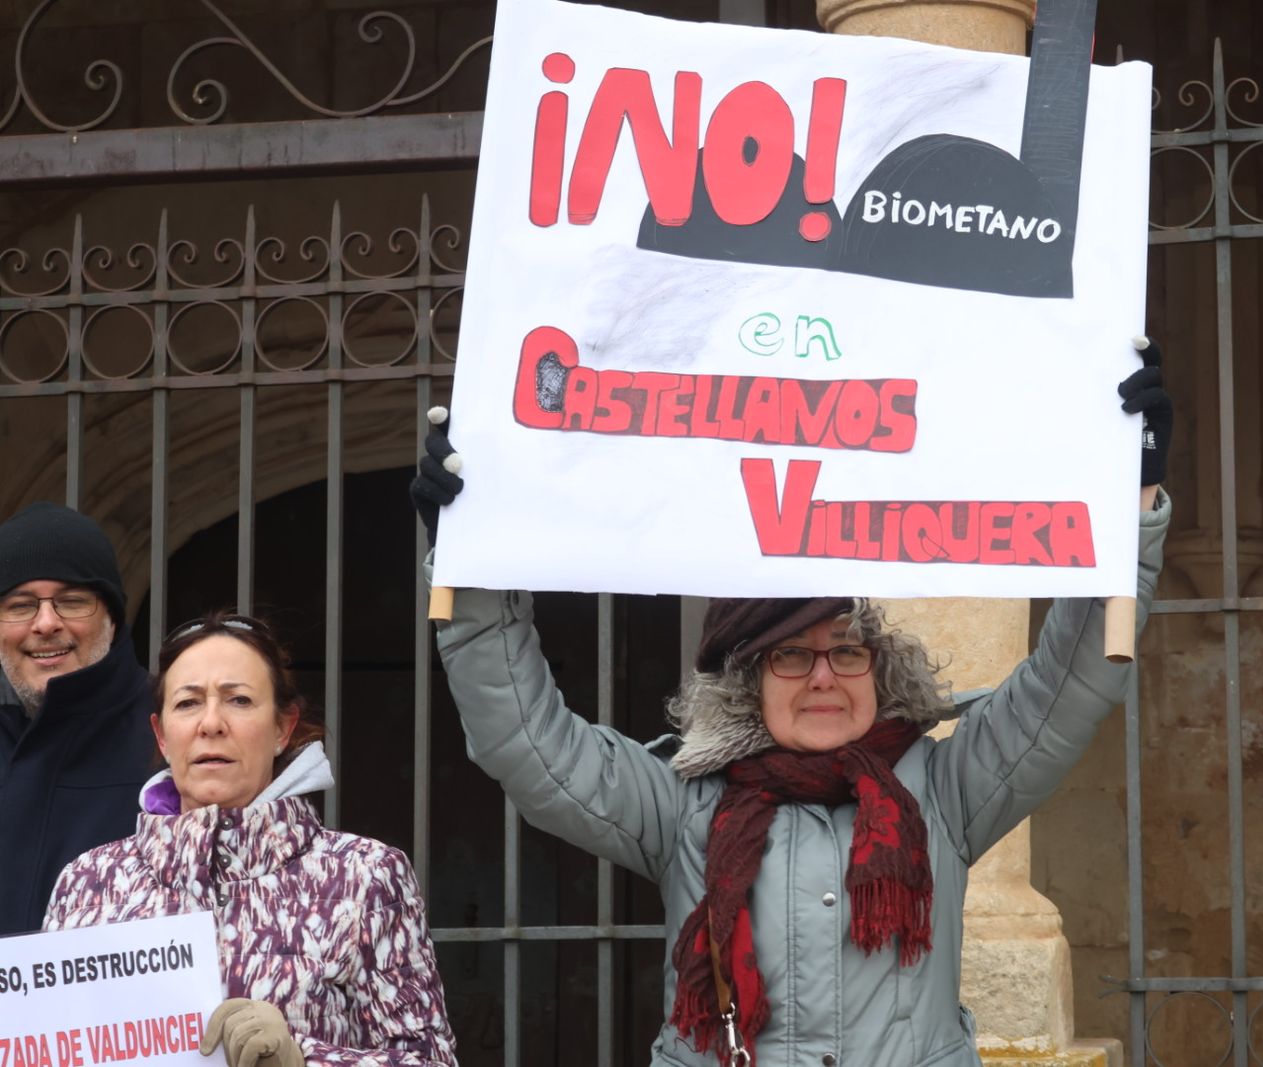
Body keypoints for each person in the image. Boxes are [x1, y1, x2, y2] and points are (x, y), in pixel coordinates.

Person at [411, 340, 1172, 1066]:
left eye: (846, 649)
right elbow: (527, 741)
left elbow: (1070, 681)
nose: (822, 677)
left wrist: (1130, 505)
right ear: (749, 677)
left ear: (878, 665)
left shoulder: (944, 789)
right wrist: (474, 571)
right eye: (790, 654)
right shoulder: (683, 802)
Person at [45, 612, 458, 1067]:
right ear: (162, 736)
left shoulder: (364, 876)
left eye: (239, 700)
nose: (211, 723)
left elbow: (430, 1060)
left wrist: (302, 1059)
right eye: (187, 703)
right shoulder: (87, 882)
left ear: (283, 728)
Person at [0, 501, 154, 935]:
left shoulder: (176, 733)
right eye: (19, 605)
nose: (46, 623)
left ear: (112, 617)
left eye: (72, 601)